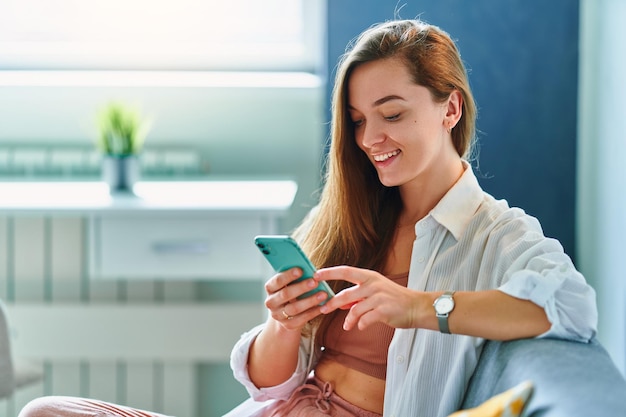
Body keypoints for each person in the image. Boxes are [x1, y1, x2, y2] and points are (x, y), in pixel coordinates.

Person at [18, 18, 597, 417]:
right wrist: (286, 324)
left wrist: (419, 307)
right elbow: (268, 382)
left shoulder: (494, 233)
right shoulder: (349, 217)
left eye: (391, 114)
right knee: (45, 411)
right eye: (357, 120)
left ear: (450, 107)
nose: (371, 139)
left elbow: (571, 307)